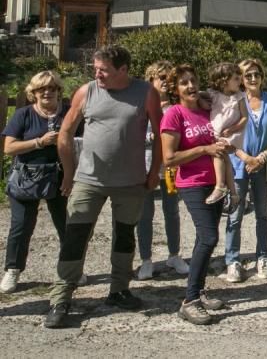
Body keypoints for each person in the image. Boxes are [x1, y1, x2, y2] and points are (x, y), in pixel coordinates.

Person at [45, 45, 162, 329]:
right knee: (75, 236)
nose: (97, 74)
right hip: (89, 181)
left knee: (124, 236)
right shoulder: (87, 92)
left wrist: (154, 172)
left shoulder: (146, 92)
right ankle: (61, 297)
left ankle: (119, 290)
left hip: (130, 182)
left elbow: (160, 135)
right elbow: (65, 133)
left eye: (103, 70)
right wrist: (69, 172)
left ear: (123, 70)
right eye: (95, 69)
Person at [160, 64, 230, 325]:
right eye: (183, 83)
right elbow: (169, 158)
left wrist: (222, 146)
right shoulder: (174, 115)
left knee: (207, 238)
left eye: (193, 81)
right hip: (192, 183)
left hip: (215, 183)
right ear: (175, 89)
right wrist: (204, 150)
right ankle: (189, 301)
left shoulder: (205, 109)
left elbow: (218, 140)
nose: (190, 86)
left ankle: (198, 291)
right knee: (209, 237)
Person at [2, 71, 71, 294]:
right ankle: (12, 270)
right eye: (42, 89)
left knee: (66, 226)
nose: (47, 92)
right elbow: (9, 147)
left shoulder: (68, 114)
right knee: (21, 227)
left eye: (52, 88)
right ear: (33, 93)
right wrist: (39, 142)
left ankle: (71, 269)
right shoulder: (23, 114)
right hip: (26, 177)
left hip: (60, 176)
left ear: (59, 92)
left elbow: (81, 142)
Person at [223, 59, 267, 284]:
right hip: (238, 164)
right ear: (241, 79)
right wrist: (245, 156)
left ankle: (262, 257)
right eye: (248, 75)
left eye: (257, 74)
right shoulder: (234, 101)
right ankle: (233, 260)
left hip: (262, 164)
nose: (253, 79)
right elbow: (226, 133)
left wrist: (263, 156)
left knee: (263, 214)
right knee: (235, 214)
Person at [136, 61, 188, 281]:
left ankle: (174, 255)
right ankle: (146, 260)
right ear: (151, 81)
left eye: (169, 78)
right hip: (146, 165)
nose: (166, 82)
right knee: (144, 215)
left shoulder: (176, 107)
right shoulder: (141, 105)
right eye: (161, 78)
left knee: (172, 212)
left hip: (170, 168)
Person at [204, 62, 247, 207]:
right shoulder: (214, 95)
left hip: (229, 134)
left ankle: (220, 185)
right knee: (225, 159)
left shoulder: (239, 97)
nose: (239, 81)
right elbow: (201, 99)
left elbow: (244, 117)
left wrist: (233, 129)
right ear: (224, 81)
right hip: (215, 133)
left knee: (218, 154)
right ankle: (233, 193)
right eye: (236, 78)